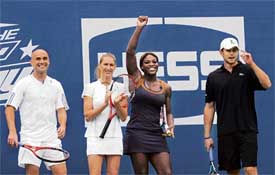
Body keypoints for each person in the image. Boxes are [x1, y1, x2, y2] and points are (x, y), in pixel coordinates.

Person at [203, 38, 272, 175]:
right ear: (221, 52)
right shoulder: (213, 77)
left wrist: (252, 64)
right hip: (226, 131)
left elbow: (267, 84)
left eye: (234, 50)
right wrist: (207, 136)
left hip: (247, 129)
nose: (232, 53)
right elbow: (210, 106)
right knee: (233, 171)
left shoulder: (247, 70)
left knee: (250, 169)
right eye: (228, 50)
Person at [5, 49, 69, 175]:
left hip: (52, 138)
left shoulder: (56, 85)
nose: (42, 62)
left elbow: (61, 109)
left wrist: (62, 124)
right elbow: (9, 108)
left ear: (49, 62)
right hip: (30, 138)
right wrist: (12, 131)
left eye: (45, 59)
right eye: (38, 59)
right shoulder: (22, 84)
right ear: (31, 62)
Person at [123, 16, 174, 175]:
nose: (152, 64)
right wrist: (139, 28)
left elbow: (169, 112)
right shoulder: (137, 79)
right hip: (137, 134)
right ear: (141, 67)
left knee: (166, 172)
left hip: (157, 135)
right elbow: (130, 52)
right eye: (147, 62)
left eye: (154, 61)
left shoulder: (165, 87)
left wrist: (171, 126)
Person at [82, 53, 128, 175]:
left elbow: (123, 117)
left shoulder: (121, 87)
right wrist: (105, 103)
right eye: (105, 64)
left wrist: (117, 104)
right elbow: (87, 115)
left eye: (111, 65)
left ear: (115, 67)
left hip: (115, 136)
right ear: (100, 66)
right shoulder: (90, 87)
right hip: (94, 137)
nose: (108, 67)